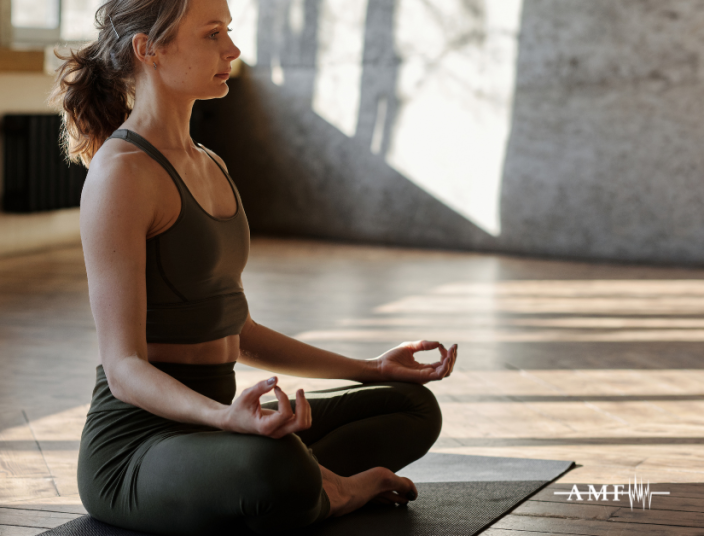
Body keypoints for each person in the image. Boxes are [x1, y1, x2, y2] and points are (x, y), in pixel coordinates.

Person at [47, 0, 457, 534]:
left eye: (229, 32)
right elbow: (123, 369)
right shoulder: (122, 174)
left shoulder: (209, 163)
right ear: (148, 50)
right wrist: (224, 418)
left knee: (412, 407)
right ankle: (335, 489)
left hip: (221, 426)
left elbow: (237, 332)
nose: (233, 50)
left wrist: (373, 368)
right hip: (139, 447)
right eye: (212, 34)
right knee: (274, 469)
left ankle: (310, 480)